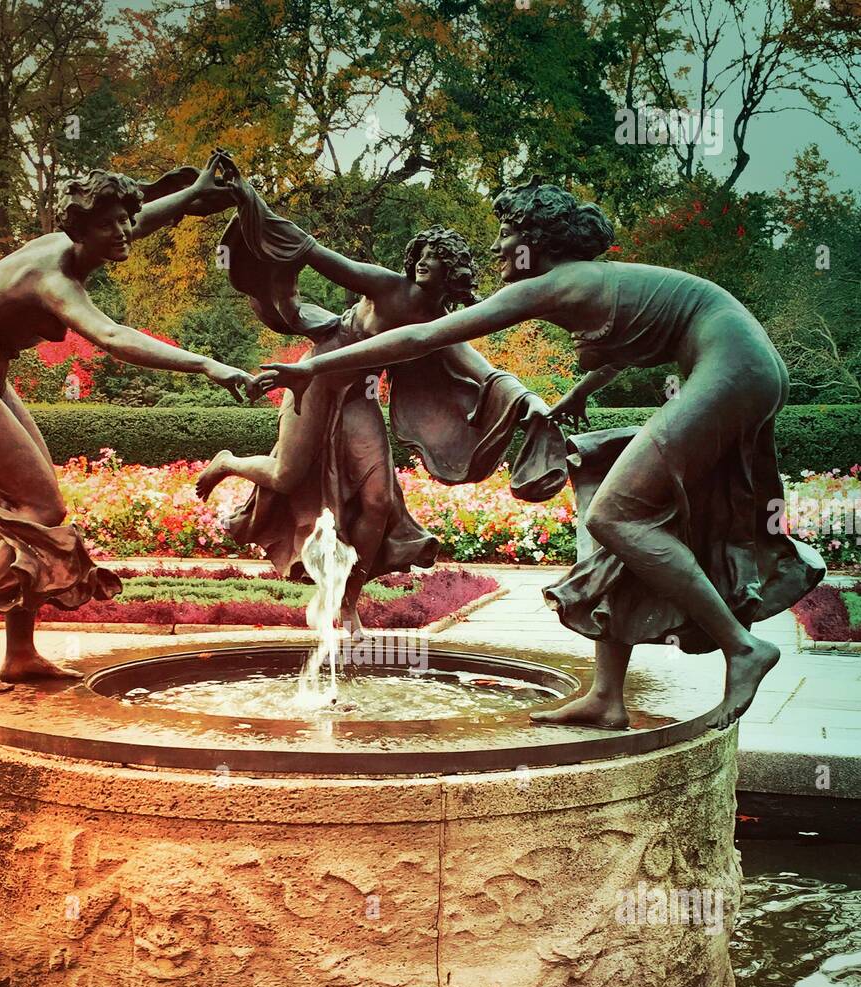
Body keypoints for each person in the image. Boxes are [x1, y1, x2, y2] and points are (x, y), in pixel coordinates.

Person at [258, 177, 824, 728]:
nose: (498, 245)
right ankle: (607, 697)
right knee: (597, 487)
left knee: (614, 515)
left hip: (733, 367)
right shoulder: (592, 282)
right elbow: (642, 336)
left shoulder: (553, 284)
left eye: (506, 232)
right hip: (738, 365)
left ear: (536, 242)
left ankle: (742, 647)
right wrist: (579, 392)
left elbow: (424, 338)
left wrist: (312, 366)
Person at [0, 160, 254, 693]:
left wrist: (192, 197)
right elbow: (113, 337)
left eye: (125, 220)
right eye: (109, 224)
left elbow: (132, 221)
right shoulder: (53, 277)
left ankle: (20, 653)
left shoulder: (77, 240)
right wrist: (206, 364)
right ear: (80, 229)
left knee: (34, 507)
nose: (123, 232)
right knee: (42, 509)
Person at [192, 159, 568, 630]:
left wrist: (530, 400)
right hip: (313, 381)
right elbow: (315, 253)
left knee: (378, 500)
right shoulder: (385, 285)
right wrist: (250, 199)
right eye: (425, 252)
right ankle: (227, 461)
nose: (428, 260)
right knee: (286, 477)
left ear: (453, 274)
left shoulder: (442, 326)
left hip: (358, 400)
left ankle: (349, 602)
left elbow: (486, 372)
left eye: (440, 257)